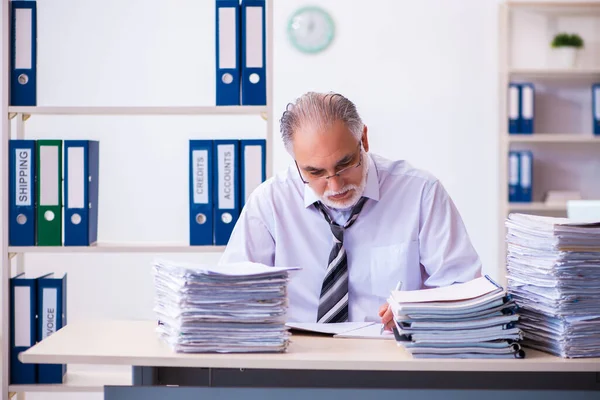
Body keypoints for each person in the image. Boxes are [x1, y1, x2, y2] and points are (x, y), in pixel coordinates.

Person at [220, 91, 482, 330]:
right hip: (296, 361)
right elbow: (230, 297)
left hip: (392, 359)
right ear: (296, 162)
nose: (335, 184)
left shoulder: (420, 193)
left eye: (345, 164)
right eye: (315, 172)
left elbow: (465, 287)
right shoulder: (270, 202)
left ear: (364, 139)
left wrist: (421, 310)